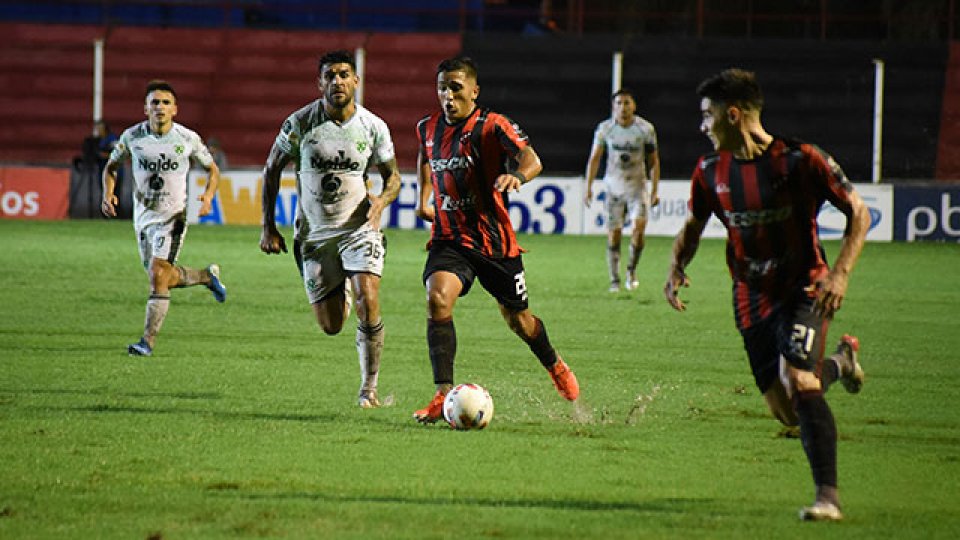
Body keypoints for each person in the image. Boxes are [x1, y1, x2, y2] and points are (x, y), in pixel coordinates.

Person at [664, 68, 869, 521]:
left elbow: (859, 212)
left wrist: (841, 275)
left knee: (799, 378)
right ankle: (841, 361)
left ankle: (827, 498)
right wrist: (677, 266)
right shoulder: (709, 170)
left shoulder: (801, 160)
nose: (702, 126)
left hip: (805, 288)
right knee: (786, 411)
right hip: (750, 296)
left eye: (707, 115)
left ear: (733, 115)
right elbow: (694, 225)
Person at [412, 55, 580, 424]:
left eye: (456, 87)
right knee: (437, 298)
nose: (448, 95)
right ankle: (442, 395)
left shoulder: (492, 125)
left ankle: (553, 363)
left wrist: (517, 176)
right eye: (442, 87)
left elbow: (531, 158)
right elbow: (426, 160)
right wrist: (424, 199)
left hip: (495, 244)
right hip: (449, 239)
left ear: (474, 90)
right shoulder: (427, 127)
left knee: (519, 321)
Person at [259, 50, 401, 409]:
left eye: (344, 74)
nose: (337, 81)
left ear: (356, 81)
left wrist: (381, 202)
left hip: (359, 227)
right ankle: (345, 285)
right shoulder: (300, 123)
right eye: (330, 76)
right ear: (319, 83)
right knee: (332, 325)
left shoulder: (373, 126)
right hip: (315, 235)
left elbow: (393, 177)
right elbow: (271, 169)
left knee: (370, 299)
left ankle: (368, 388)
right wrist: (268, 226)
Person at [101, 80, 226, 357]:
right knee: (163, 277)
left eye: (166, 103)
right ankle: (206, 276)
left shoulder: (186, 138)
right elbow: (111, 166)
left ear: (175, 109)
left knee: (158, 275)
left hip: (174, 216)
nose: (160, 107)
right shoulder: (132, 137)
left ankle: (147, 342)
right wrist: (107, 194)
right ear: (145, 108)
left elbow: (213, 169)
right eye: (155, 102)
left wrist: (207, 197)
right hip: (143, 217)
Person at [584, 89, 660, 292]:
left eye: (627, 103)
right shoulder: (605, 129)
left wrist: (654, 190)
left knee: (638, 229)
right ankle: (614, 278)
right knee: (614, 234)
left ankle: (631, 270)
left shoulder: (645, 129)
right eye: (619, 103)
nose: (623, 107)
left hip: (637, 187)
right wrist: (588, 187)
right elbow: (595, 158)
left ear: (633, 106)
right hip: (613, 188)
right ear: (613, 106)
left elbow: (653, 161)